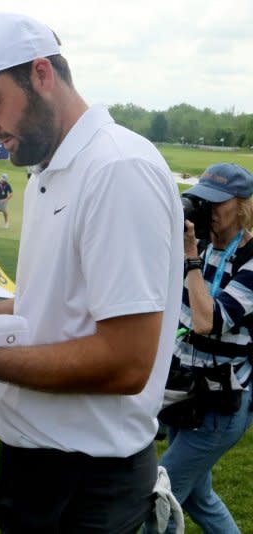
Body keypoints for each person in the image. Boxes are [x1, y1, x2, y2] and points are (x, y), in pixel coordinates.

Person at [0, 13, 183, 532]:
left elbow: (126, 362)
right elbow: (58, 306)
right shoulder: (50, 169)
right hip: (39, 467)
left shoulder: (115, 169)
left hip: (87, 482)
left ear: (42, 73)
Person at [148, 163, 253, 534]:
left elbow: (208, 319)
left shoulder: (250, 261)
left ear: (242, 207)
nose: (207, 210)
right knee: (198, 499)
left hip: (219, 405)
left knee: (157, 500)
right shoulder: (204, 248)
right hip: (187, 394)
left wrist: (191, 257)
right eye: (202, 201)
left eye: (216, 204)